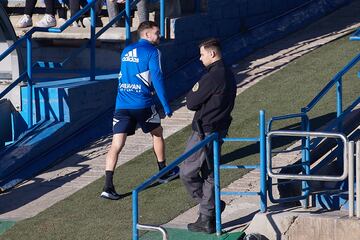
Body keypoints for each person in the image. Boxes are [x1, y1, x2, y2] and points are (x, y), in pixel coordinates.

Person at [100, 21, 179, 200]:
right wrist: (166, 105)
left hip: (122, 104)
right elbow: (157, 78)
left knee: (117, 144)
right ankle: (163, 171)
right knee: (157, 133)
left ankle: (108, 186)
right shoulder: (153, 51)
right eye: (156, 33)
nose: (159, 36)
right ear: (146, 35)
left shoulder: (126, 50)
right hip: (142, 104)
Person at [180, 38, 236, 233]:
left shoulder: (213, 76)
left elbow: (191, 102)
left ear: (212, 54)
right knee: (210, 173)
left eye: (202, 54)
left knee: (187, 171)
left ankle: (209, 209)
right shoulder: (228, 72)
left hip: (206, 130)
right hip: (219, 128)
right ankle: (208, 216)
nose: (200, 58)